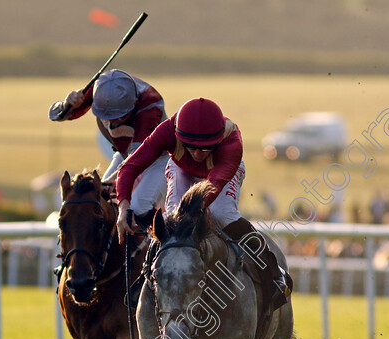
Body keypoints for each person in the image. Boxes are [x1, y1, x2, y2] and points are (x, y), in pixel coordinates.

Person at [116, 97, 290, 311]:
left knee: (221, 214)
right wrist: (123, 206)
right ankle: (148, 275)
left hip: (219, 174)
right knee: (171, 219)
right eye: (191, 147)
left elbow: (212, 188)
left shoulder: (232, 143)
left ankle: (272, 272)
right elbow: (130, 166)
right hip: (181, 168)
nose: (197, 154)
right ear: (178, 135)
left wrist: (187, 217)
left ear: (217, 140)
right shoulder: (167, 130)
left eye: (205, 148)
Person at [48, 69, 168, 228]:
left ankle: (160, 243)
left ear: (133, 105)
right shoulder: (101, 89)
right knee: (102, 199)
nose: (112, 124)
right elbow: (56, 115)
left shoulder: (150, 106)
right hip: (126, 154)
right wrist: (68, 104)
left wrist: (115, 181)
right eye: (106, 116)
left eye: (119, 117)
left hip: (160, 159)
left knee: (138, 206)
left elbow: (136, 160)